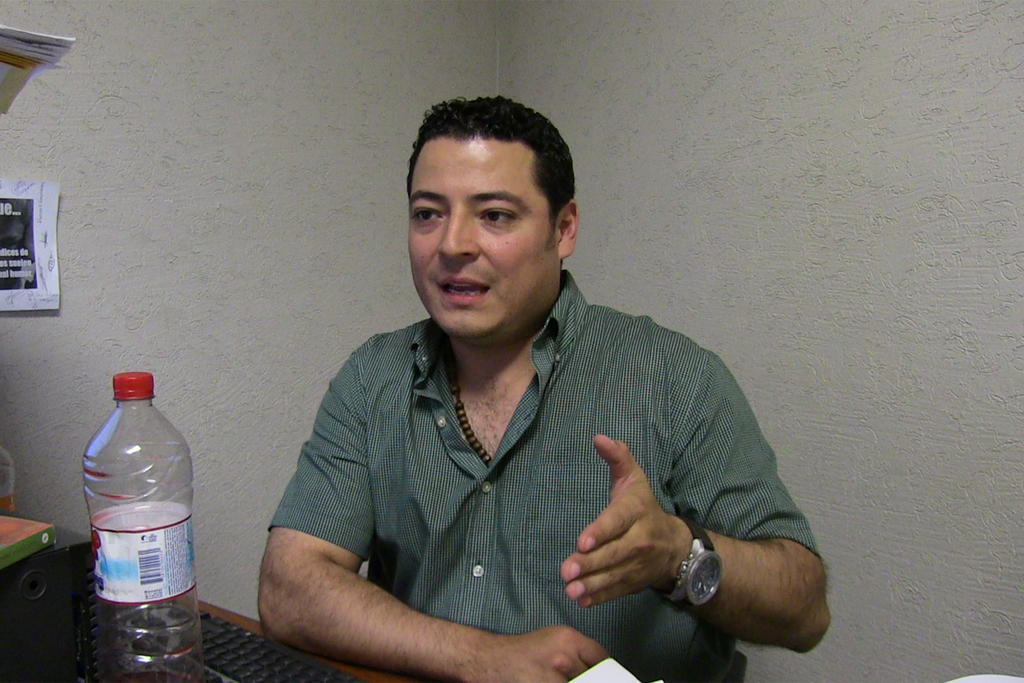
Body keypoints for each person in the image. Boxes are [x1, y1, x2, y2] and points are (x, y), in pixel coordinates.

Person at [258, 96, 830, 683]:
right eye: (428, 213)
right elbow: (289, 587)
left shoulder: (674, 378)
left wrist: (677, 554)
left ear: (564, 229)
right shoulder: (374, 379)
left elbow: (805, 611)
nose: (452, 244)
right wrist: (483, 659)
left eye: (495, 215)